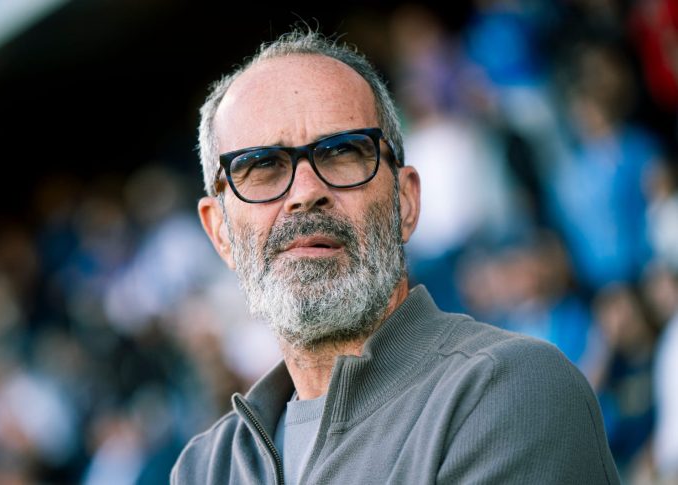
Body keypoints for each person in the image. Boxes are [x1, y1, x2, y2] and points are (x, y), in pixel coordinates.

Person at [171, 29, 619, 484]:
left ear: (405, 202)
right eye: (263, 165)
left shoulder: (512, 388)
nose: (305, 192)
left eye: (342, 152)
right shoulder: (203, 468)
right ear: (220, 233)